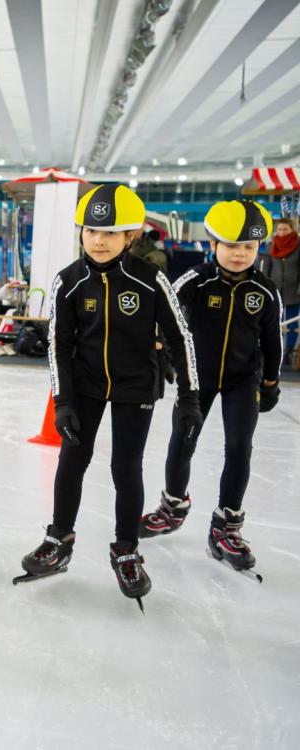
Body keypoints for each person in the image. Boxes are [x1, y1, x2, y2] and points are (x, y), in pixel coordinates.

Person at [18, 184, 200, 607]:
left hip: (136, 385)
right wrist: (63, 401)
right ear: (81, 231)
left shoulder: (152, 280)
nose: (99, 240)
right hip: (84, 386)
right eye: (92, 231)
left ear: (130, 236)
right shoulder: (68, 281)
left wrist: (189, 396)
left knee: (126, 467)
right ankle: (58, 539)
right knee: (72, 460)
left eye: (111, 233)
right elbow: (57, 345)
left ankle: (126, 550)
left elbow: (180, 337)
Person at [139, 200, 281, 577]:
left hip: (242, 380)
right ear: (213, 244)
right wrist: (160, 354)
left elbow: (272, 340)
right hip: (196, 378)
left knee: (239, 446)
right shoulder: (196, 279)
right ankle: (172, 506)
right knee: (183, 438)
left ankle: (227, 525)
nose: (239, 254)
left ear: (258, 249)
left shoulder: (264, 290)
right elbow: (162, 312)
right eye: (231, 245)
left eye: (248, 248)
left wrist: (270, 383)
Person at [258, 217, 298, 367]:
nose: (281, 232)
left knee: (293, 323)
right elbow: (265, 268)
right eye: (279, 229)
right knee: (272, 322)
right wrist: (264, 288)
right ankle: (272, 350)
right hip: (274, 290)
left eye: (285, 229)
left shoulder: (298, 246)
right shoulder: (270, 246)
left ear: (292, 230)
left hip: (294, 290)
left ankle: (288, 351)